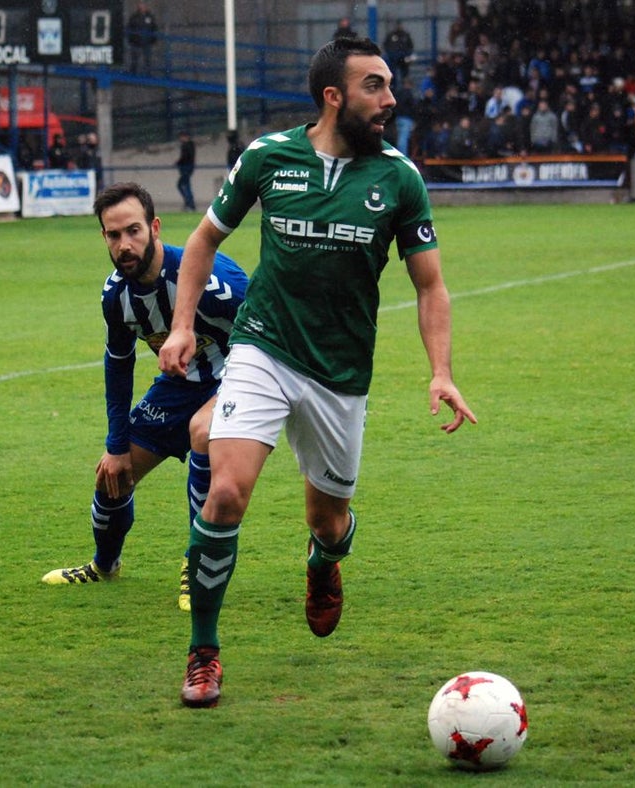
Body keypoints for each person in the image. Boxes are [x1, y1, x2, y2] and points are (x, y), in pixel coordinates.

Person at [158, 36, 476, 708]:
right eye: (375, 86)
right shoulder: (270, 159)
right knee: (225, 496)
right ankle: (203, 653)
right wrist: (183, 324)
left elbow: (430, 287)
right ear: (334, 95)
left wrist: (440, 370)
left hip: (340, 373)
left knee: (329, 521)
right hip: (263, 350)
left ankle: (323, 564)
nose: (390, 99)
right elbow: (205, 240)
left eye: (389, 85)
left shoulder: (398, 178)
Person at [42, 183, 247, 614]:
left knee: (202, 432)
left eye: (133, 231)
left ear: (154, 228)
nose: (124, 244)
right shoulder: (116, 296)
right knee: (111, 475)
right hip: (175, 389)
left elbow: (266, 326)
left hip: (239, 376)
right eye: (113, 235)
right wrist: (117, 444)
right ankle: (104, 564)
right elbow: (118, 364)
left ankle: (200, 565)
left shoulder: (215, 283)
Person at [126, 2, 159, 76]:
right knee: (134, 59)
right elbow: (129, 28)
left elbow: (154, 28)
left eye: (143, 5)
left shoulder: (150, 17)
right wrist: (131, 39)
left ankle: (148, 73)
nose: (142, 7)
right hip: (136, 41)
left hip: (147, 41)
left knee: (147, 59)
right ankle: (133, 73)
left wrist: (154, 39)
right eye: (140, 5)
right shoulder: (134, 17)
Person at [175, 130, 196, 211]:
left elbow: (185, 157)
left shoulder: (186, 145)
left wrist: (179, 162)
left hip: (186, 168)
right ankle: (189, 203)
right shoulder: (190, 145)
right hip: (188, 167)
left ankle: (189, 203)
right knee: (185, 185)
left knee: (184, 185)